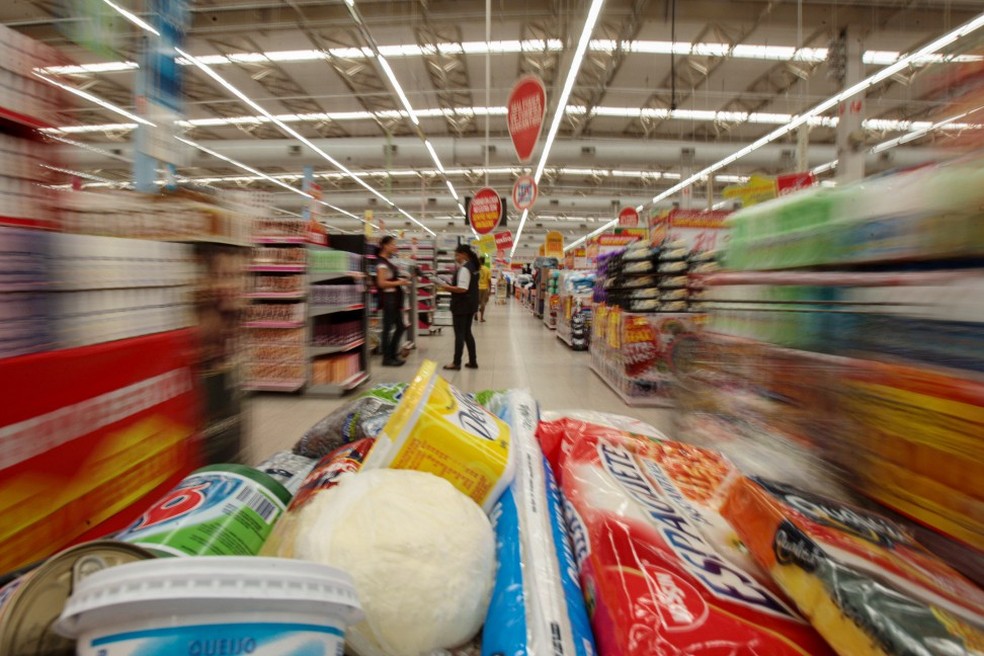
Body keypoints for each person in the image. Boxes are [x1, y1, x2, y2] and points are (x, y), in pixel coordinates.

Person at [439, 244, 480, 370]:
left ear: (464, 254)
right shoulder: (474, 267)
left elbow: (462, 289)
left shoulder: (465, 269)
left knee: (460, 334)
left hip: (461, 305)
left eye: (457, 254)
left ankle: (456, 362)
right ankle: (473, 361)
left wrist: (446, 287)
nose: (456, 257)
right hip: (470, 304)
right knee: (467, 333)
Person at [376, 235, 410, 366]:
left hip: (394, 300)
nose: (395, 247)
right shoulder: (381, 263)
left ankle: (392, 354)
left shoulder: (387, 261)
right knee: (388, 328)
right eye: (392, 244)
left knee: (400, 327)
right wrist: (399, 282)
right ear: (385, 246)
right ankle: (387, 357)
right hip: (388, 300)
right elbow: (381, 283)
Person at [477, 256, 491, 322]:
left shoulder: (476, 269)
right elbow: (489, 280)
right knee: (483, 303)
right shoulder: (487, 269)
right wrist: (490, 289)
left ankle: (475, 314)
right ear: (484, 262)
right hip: (485, 288)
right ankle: (481, 318)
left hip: (477, 288)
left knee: (476, 302)